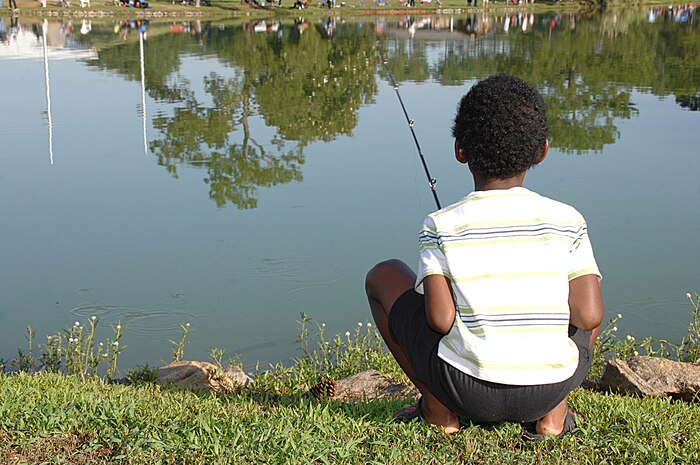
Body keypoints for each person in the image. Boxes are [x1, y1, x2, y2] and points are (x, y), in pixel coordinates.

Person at [365, 73, 603, 438]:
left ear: (460, 150)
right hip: (548, 390)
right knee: (584, 287)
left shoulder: (440, 224)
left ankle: (438, 410)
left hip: (464, 389)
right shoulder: (568, 220)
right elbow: (588, 316)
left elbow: (441, 320)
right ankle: (553, 418)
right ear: (542, 150)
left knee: (383, 275)